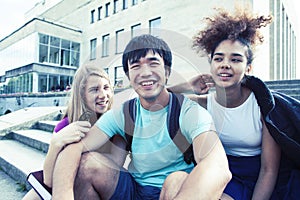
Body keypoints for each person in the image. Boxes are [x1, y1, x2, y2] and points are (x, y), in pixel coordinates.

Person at [51, 34, 231, 200]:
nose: (145, 73)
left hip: (175, 192)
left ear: (167, 71)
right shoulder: (125, 113)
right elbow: (73, 150)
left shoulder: (189, 112)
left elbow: (217, 168)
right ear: (129, 76)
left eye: (153, 63)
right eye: (136, 66)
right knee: (87, 163)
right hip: (134, 189)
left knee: (176, 180)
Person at [168, 6, 300, 200]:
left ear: (248, 68)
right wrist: (186, 86)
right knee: (177, 185)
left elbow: (268, 170)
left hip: (263, 177)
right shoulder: (203, 104)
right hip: (224, 173)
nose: (225, 64)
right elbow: (154, 100)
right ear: (211, 65)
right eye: (218, 58)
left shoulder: (262, 106)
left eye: (235, 59)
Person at [22, 64, 126, 200]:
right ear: (82, 95)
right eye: (95, 90)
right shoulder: (66, 124)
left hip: (101, 185)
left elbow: (116, 164)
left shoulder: (115, 122)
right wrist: (55, 143)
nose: (103, 95)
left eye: (106, 88)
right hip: (66, 185)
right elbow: (48, 181)